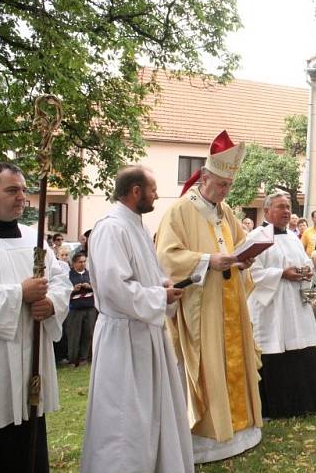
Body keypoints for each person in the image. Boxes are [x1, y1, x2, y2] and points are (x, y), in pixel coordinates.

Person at [155, 131, 262, 462]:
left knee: (233, 361)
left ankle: (240, 429)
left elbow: (241, 243)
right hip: (202, 304)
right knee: (208, 366)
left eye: (228, 186)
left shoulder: (225, 211)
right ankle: (208, 438)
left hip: (230, 300)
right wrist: (207, 261)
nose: (224, 191)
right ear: (203, 178)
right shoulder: (179, 211)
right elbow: (166, 256)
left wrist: (246, 257)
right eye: (219, 185)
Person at [81, 166, 193, 473]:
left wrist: (165, 285)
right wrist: (159, 298)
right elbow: (114, 287)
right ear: (135, 192)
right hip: (122, 336)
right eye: (153, 189)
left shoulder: (138, 227)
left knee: (152, 412)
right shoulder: (110, 228)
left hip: (147, 332)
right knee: (124, 416)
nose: (157, 194)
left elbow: (148, 274)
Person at [0, 162, 70, 473]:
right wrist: (19, 293)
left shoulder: (35, 238)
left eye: (23, 190)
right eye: (11, 190)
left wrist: (52, 304)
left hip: (32, 354)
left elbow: (61, 281)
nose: (21, 196)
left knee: (30, 442)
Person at [249, 192, 316, 417]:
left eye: (289, 207)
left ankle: (304, 403)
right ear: (267, 210)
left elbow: (304, 266)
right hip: (271, 309)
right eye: (281, 207)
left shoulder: (293, 237)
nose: (287, 211)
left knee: (300, 351)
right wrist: (281, 274)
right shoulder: (255, 238)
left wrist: (307, 274)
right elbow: (250, 274)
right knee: (274, 351)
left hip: (296, 307)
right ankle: (274, 408)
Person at [67, 251, 96, 366]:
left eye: (84, 261)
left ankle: (84, 358)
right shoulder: (68, 276)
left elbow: (98, 288)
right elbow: (63, 290)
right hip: (75, 308)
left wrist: (90, 286)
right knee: (74, 334)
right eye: (80, 262)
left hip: (90, 308)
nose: (82, 264)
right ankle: (72, 359)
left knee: (88, 333)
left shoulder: (90, 275)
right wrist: (72, 289)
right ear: (74, 263)